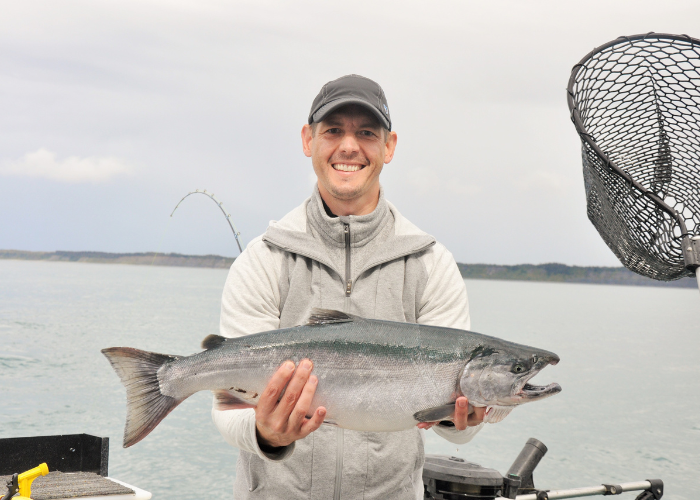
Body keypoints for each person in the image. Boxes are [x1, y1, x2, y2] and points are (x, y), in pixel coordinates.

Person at [213, 74, 485, 500]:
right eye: (333, 130)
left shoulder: (432, 263)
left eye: (366, 133)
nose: (349, 146)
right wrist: (266, 432)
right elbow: (228, 410)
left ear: (389, 146)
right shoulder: (262, 259)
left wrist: (463, 416)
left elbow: (459, 433)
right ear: (308, 140)